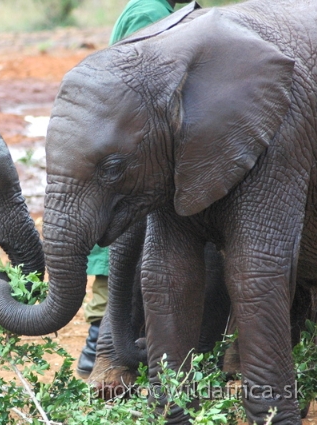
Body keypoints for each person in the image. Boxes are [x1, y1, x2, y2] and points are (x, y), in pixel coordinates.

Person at [76, 0, 193, 379]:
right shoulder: (150, 13)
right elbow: (149, 85)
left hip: (127, 151)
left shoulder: (149, 6)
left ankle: (105, 355)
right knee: (121, 267)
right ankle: (101, 357)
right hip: (132, 156)